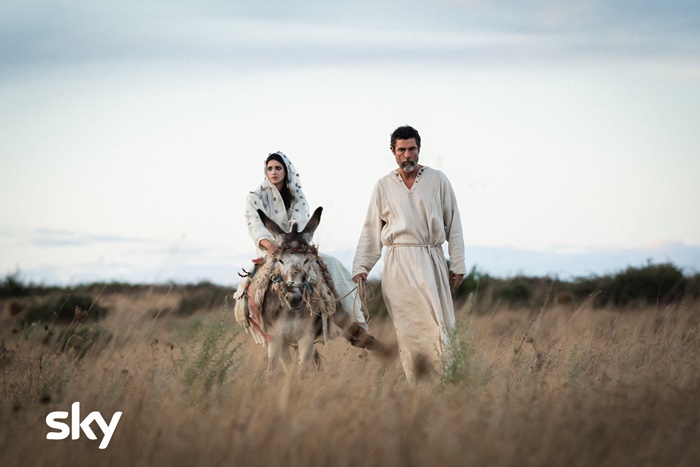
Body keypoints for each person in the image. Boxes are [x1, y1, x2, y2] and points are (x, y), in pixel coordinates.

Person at [352, 125, 466, 382]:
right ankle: (419, 387)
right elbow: (371, 229)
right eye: (401, 150)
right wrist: (361, 267)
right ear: (392, 151)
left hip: (431, 259)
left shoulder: (438, 180)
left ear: (419, 149)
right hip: (397, 265)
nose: (407, 155)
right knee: (409, 331)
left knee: (439, 326)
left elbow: (454, 223)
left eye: (412, 149)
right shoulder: (382, 186)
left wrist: (457, 263)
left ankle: (446, 382)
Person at [235, 151, 376, 347]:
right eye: (270, 169)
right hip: (271, 253)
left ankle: (354, 324)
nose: (274, 172)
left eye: (278, 168)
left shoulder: (296, 194)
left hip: (299, 249)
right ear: (265, 171)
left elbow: (300, 219)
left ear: (286, 171)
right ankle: (263, 327)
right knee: (250, 288)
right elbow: (255, 226)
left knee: (332, 266)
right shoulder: (255, 197)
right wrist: (273, 247)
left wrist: (293, 241)